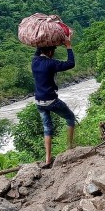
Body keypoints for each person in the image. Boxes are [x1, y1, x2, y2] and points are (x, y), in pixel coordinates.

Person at [32, 39, 77, 168]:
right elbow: (71, 63)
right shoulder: (51, 63)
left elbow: (38, 51)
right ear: (51, 52)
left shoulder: (34, 61)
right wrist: (68, 46)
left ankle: (47, 159)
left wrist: (40, 42)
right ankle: (69, 147)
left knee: (47, 128)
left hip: (38, 102)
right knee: (70, 117)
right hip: (51, 100)